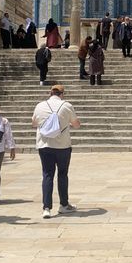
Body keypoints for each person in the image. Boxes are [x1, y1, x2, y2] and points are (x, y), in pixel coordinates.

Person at [32, 84, 81, 219]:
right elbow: (76, 125)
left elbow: (34, 123)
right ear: (62, 94)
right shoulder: (66, 105)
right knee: (62, 174)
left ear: (50, 93)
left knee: (47, 175)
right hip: (62, 146)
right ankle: (64, 205)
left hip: (44, 145)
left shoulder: (40, 106)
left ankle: (46, 208)